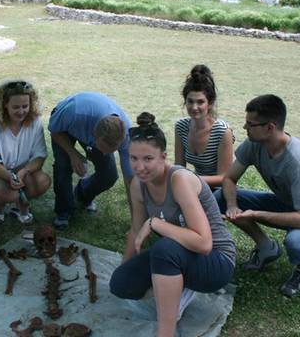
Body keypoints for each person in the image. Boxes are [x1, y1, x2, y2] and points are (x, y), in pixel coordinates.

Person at [109, 112, 235, 337]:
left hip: (216, 261)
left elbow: (204, 243)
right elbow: (136, 230)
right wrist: (126, 265)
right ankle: (177, 286)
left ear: (163, 157)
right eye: (133, 158)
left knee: (164, 249)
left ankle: (165, 331)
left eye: (148, 159)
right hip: (180, 254)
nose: (139, 167)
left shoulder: (179, 180)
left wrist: (155, 223)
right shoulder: (139, 185)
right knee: (120, 284)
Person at [216, 94, 300, 297]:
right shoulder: (254, 144)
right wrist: (231, 205)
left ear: (270, 127)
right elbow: (229, 179)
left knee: (297, 242)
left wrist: (255, 214)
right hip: (286, 204)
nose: (245, 128)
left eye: (250, 124)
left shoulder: (297, 158)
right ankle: (266, 247)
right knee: (221, 197)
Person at [48, 91, 133, 229]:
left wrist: (136, 220)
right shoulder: (74, 113)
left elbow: (130, 180)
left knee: (109, 174)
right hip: (64, 126)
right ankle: (63, 211)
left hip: (90, 125)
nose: (104, 153)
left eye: (110, 151)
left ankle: (82, 194)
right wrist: (73, 154)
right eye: (102, 148)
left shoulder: (126, 136)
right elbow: (54, 130)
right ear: (94, 135)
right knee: (62, 166)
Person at [0, 80, 51, 224]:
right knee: (5, 192)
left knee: (42, 181)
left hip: (22, 171)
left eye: (25, 106)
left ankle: (21, 206)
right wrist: (10, 177)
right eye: (16, 107)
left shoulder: (35, 122)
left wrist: (24, 171)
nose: (21, 111)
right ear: (4, 105)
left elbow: (39, 156)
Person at [174, 65, 234, 189]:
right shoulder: (181, 127)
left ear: (210, 103)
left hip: (221, 190)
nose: (194, 107)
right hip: (195, 186)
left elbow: (224, 177)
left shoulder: (222, 131)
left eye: (200, 102)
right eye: (190, 101)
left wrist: (189, 179)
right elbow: (179, 167)